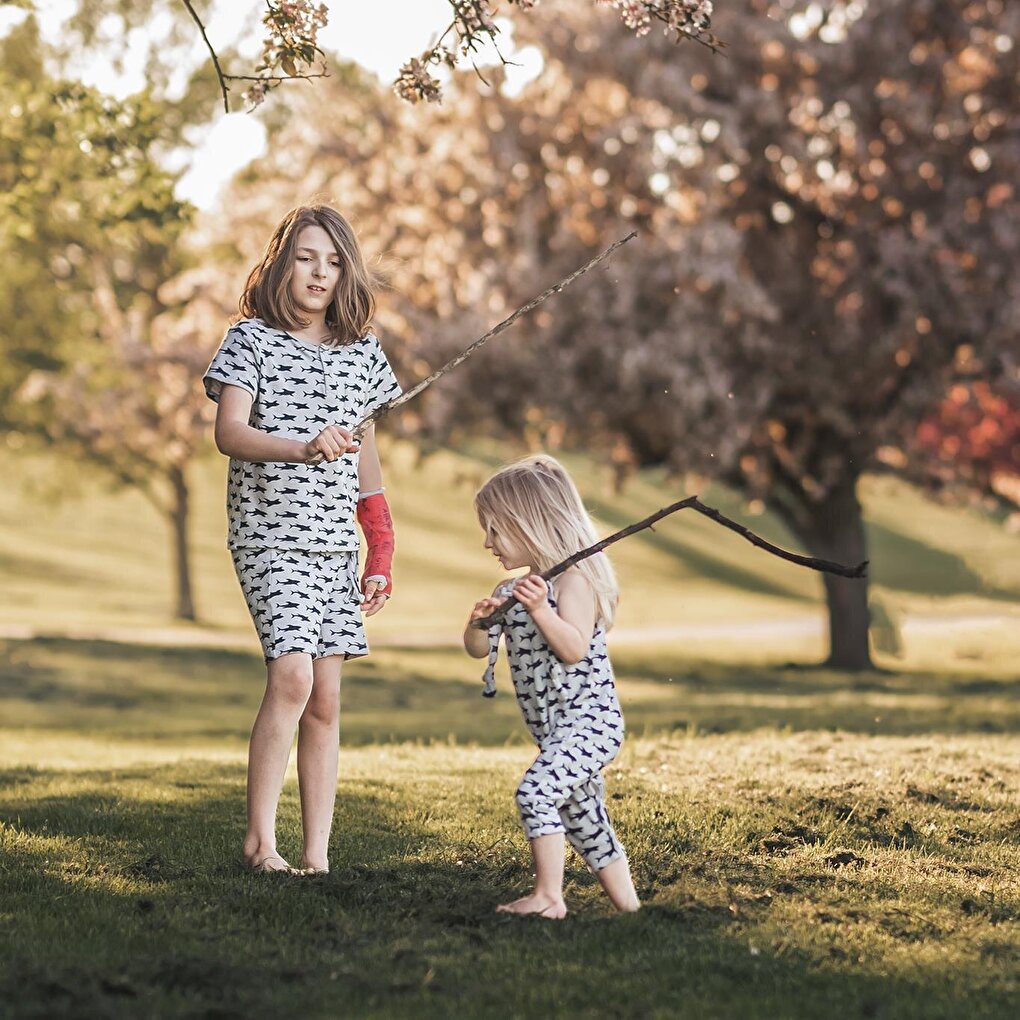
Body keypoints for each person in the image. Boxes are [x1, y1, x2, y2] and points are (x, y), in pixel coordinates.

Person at [203, 204, 401, 875]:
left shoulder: (362, 356)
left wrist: (380, 550)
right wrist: (302, 447)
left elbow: (364, 464)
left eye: (334, 261)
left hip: (333, 549)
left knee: (325, 697)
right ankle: (261, 844)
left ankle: (317, 856)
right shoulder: (249, 341)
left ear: (347, 271)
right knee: (290, 678)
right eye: (307, 257)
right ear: (283, 263)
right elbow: (230, 433)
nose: (320, 272)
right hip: (268, 538)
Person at [464, 455, 640, 917]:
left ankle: (548, 897)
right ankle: (631, 910)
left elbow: (574, 648)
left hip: (591, 723)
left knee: (536, 793)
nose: (488, 542)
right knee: (584, 818)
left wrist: (543, 610)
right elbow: (477, 650)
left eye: (496, 530)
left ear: (531, 525)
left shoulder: (573, 583)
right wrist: (479, 624)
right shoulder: (511, 591)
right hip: (553, 730)